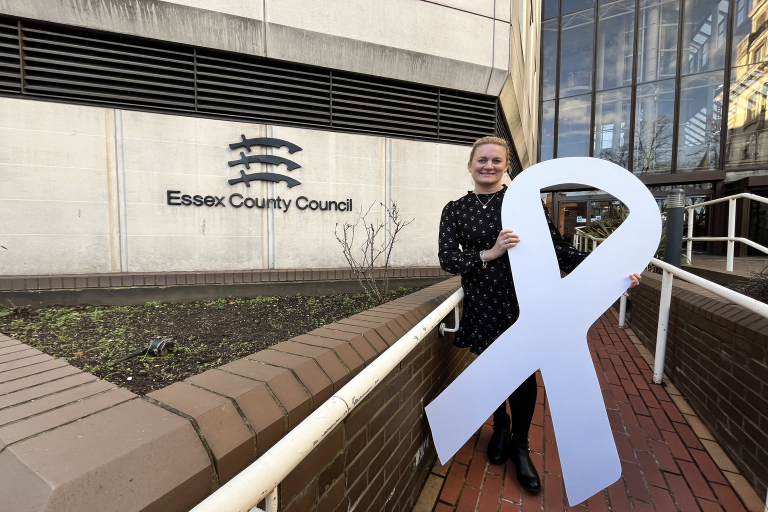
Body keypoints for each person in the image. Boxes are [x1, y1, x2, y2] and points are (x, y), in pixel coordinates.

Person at [437, 136, 641, 493]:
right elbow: (448, 260)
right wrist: (491, 252)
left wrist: (611, 275)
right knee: (493, 370)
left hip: (525, 303)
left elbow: (558, 249)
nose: (488, 166)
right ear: (470, 166)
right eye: (481, 160)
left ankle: (520, 444)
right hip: (483, 304)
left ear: (506, 167)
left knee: (524, 375)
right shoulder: (454, 209)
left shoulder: (523, 203)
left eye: (496, 161)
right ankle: (499, 428)